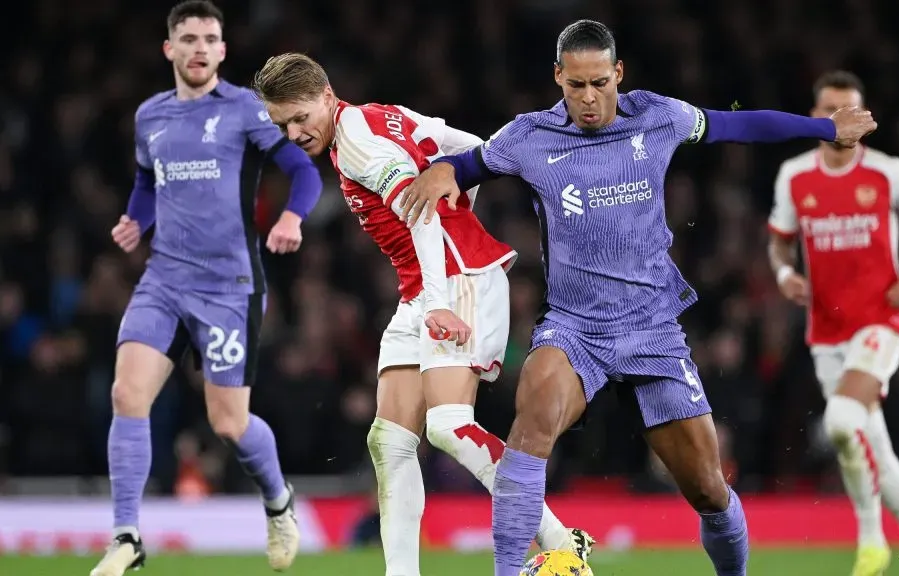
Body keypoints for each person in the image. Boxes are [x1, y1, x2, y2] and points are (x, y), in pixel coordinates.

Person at [398, 19, 877, 576]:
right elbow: (472, 163)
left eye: (599, 82)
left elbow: (736, 124)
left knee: (708, 489)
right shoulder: (530, 136)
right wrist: (443, 171)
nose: (588, 97)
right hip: (575, 329)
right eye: (575, 85)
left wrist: (821, 127)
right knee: (531, 419)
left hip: (652, 330)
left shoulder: (657, 116)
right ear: (558, 77)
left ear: (618, 73)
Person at [250, 52, 592, 576]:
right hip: (423, 287)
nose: (295, 132)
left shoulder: (359, 143)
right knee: (388, 440)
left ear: (326, 96)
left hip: (456, 280)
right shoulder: (378, 116)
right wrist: (465, 193)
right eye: (282, 125)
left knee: (449, 425)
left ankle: (564, 543)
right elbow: (465, 149)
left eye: (301, 117)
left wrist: (438, 299)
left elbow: (422, 211)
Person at [91, 2, 322, 575]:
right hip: (164, 280)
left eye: (210, 38)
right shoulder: (150, 116)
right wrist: (134, 218)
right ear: (169, 49)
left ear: (222, 51)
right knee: (127, 395)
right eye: (188, 37)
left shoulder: (247, 109)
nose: (199, 46)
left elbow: (305, 170)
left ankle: (278, 501)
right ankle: (127, 536)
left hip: (229, 287)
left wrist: (292, 217)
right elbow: (149, 181)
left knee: (227, 423)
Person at [766, 71, 899, 576]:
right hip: (826, 330)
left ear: (865, 120)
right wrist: (785, 273)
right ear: (813, 116)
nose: (839, 117)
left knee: (842, 423)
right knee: (868, 440)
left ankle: (872, 541)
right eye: (829, 108)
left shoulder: (889, 173)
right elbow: (778, 240)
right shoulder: (794, 177)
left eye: (849, 109)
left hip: (881, 321)